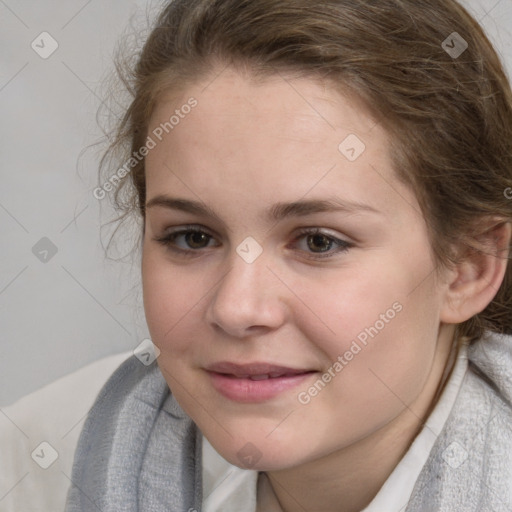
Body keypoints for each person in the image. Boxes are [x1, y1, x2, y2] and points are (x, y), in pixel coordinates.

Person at [3, 0, 512, 511]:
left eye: (318, 241)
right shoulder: (39, 464)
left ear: (470, 267)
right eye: (193, 237)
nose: (236, 308)